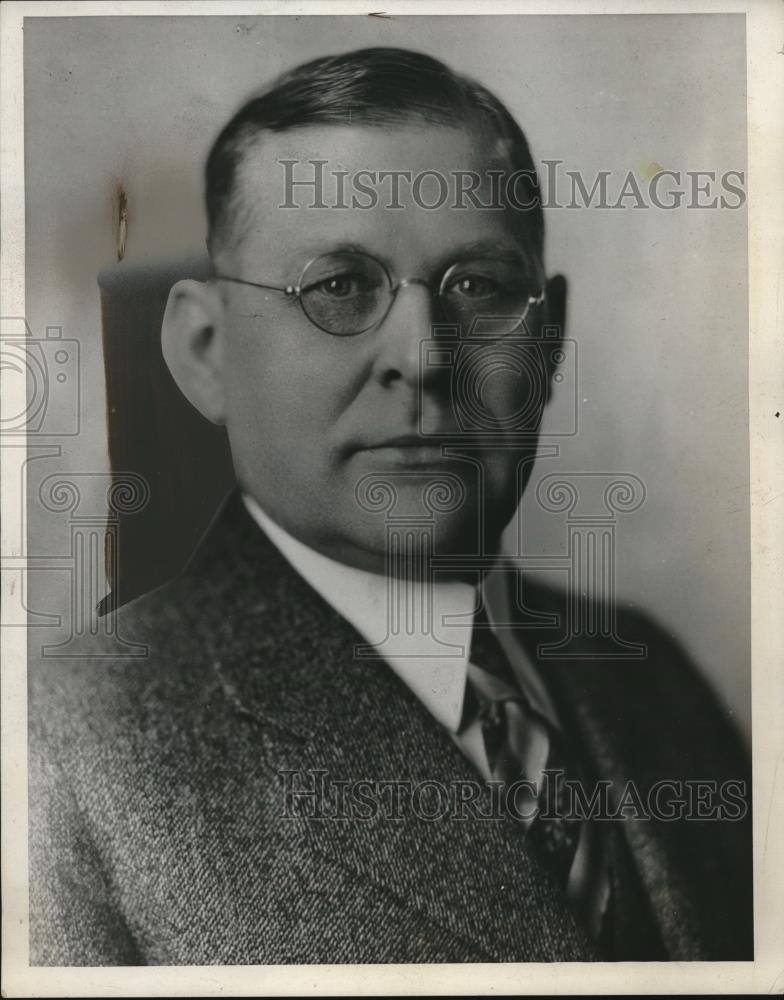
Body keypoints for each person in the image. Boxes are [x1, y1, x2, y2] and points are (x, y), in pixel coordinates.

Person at [28, 47, 752, 965]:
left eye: (480, 289)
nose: (426, 356)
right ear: (206, 349)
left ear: (551, 339)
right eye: (339, 288)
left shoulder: (652, 681)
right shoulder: (63, 742)